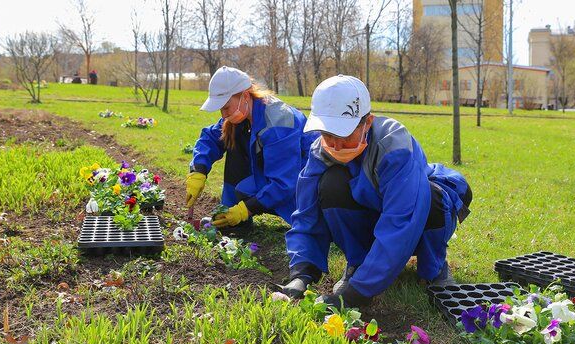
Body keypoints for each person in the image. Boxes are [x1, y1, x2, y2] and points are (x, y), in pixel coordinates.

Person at [279, 75, 472, 308]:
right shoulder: (321, 150)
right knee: (330, 186)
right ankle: (359, 262)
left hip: (421, 203)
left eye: (344, 135)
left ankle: (434, 267)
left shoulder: (394, 145)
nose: (336, 146)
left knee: (431, 199)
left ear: (367, 123)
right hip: (375, 206)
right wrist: (302, 272)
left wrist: (357, 293)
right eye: (328, 134)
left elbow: (402, 222)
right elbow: (306, 215)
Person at [186, 66, 313, 229]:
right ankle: (230, 215)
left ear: (245, 95)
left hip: (303, 189)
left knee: (247, 189)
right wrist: (198, 170)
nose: (223, 114)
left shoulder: (278, 123)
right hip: (281, 181)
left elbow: (284, 183)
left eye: (225, 107)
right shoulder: (242, 113)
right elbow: (211, 138)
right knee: (232, 137)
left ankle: (238, 215)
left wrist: (245, 209)